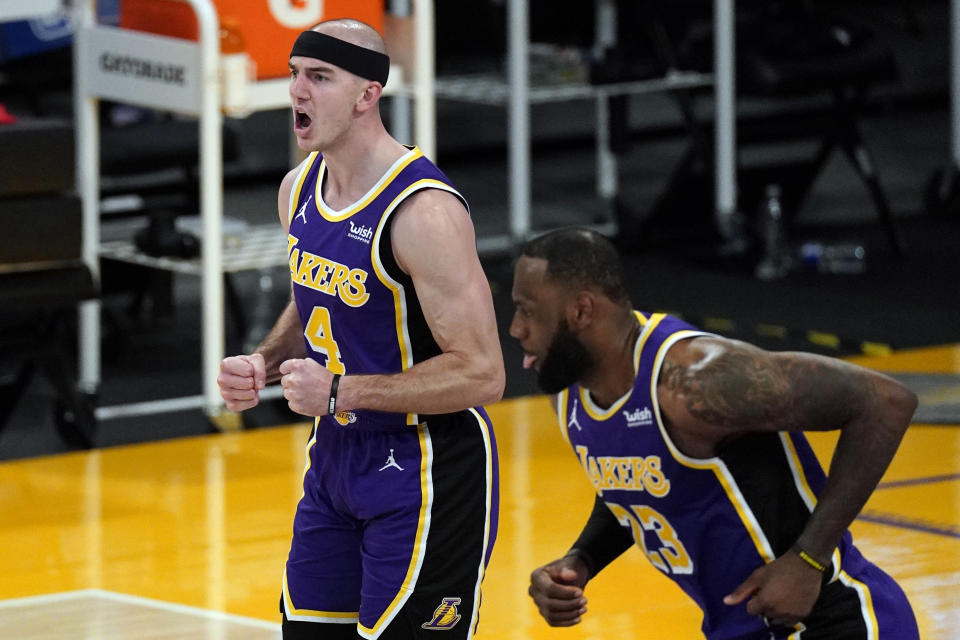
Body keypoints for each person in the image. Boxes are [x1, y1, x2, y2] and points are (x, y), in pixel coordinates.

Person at [217, 19, 504, 640]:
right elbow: (319, 301)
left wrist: (342, 391)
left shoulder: (424, 211)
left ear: (367, 94)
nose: (297, 90)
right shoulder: (298, 189)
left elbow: (483, 373)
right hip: (335, 460)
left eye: (318, 77)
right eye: (295, 73)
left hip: (427, 466)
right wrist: (263, 364)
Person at [509, 227, 919, 639]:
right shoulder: (572, 395)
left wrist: (807, 560)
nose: (515, 329)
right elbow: (636, 479)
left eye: (527, 311)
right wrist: (581, 560)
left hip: (832, 621)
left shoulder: (693, 381)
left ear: (581, 311)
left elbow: (885, 403)